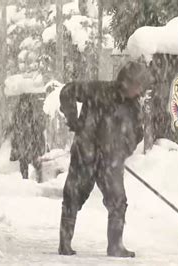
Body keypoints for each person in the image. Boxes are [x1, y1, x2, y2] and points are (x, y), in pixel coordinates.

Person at [58, 61, 154, 258]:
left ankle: (115, 246)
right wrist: (72, 118)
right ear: (126, 82)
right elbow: (67, 91)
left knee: (118, 201)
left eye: (141, 87)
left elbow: (137, 135)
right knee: (73, 197)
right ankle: (64, 244)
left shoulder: (133, 107)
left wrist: (119, 152)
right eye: (137, 85)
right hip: (84, 154)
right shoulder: (97, 90)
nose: (139, 91)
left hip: (110, 162)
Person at [10, 93, 46, 182]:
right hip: (22, 143)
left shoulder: (32, 115)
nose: (24, 105)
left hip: (33, 143)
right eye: (23, 103)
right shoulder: (17, 115)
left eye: (26, 103)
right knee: (23, 163)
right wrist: (14, 147)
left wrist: (40, 144)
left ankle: (39, 181)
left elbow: (39, 130)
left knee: (37, 164)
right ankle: (25, 182)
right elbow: (15, 131)